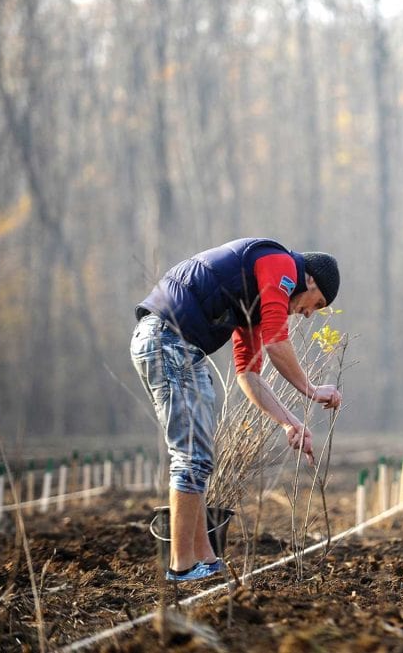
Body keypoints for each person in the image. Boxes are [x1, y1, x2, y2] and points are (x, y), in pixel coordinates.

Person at [130, 238, 342, 582]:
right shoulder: (283, 266)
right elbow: (277, 341)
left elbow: (248, 374)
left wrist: (289, 423)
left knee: (197, 456)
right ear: (311, 281)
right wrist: (312, 390)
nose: (307, 314)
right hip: (168, 340)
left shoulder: (255, 299)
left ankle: (205, 560)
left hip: (168, 343)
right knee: (190, 458)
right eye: (315, 305)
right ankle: (182, 567)